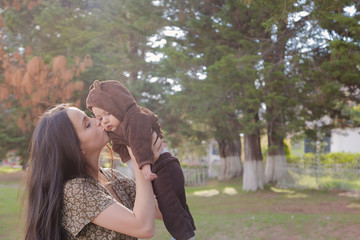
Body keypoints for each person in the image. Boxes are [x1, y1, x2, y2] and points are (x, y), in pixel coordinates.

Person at [24, 104, 164, 240]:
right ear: (74, 148)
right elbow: (143, 227)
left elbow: (163, 210)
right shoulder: (75, 191)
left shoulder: (112, 177)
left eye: (89, 117)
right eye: (87, 124)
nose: (98, 120)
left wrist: (152, 160)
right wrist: (141, 162)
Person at [86, 80, 196, 240]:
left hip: (161, 166)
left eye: (107, 113)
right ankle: (187, 231)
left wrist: (144, 166)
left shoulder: (135, 118)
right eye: (99, 118)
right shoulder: (118, 129)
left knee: (170, 205)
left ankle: (183, 236)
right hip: (156, 167)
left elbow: (141, 143)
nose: (103, 121)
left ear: (119, 105)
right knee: (174, 205)